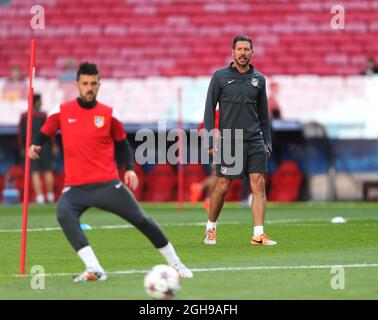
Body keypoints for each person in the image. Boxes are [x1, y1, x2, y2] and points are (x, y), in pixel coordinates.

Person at [28, 62, 193, 282]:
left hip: (108, 185)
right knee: (63, 213)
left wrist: (130, 170)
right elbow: (43, 133)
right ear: (77, 84)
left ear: (99, 85)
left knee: (142, 220)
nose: (89, 87)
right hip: (75, 187)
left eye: (93, 83)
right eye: (85, 83)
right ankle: (94, 268)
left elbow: (123, 144)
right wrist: (35, 145)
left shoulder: (108, 114)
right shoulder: (62, 111)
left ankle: (177, 265)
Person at [203, 35, 277, 246]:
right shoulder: (219, 77)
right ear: (233, 52)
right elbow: (209, 110)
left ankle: (258, 234)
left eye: (247, 49)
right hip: (230, 140)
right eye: (239, 49)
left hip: (254, 139)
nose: (243, 53)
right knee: (223, 186)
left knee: (259, 184)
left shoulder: (259, 80)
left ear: (252, 53)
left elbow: (264, 116)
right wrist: (210, 140)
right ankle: (210, 228)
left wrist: (267, 142)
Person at [18, 93, 55, 204]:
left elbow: (21, 134)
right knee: (47, 171)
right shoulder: (43, 114)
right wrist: (53, 145)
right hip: (45, 146)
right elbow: (49, 130)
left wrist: (23, 147)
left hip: (30, 146)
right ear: (38, 101)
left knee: (35, 172)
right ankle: (50, 196)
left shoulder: (24, 115)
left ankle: (40, 198)